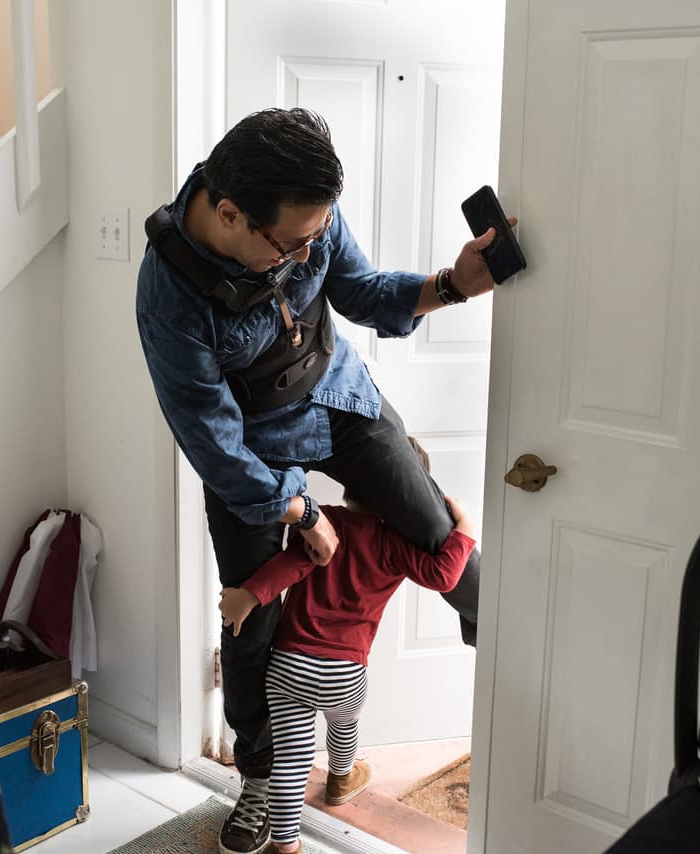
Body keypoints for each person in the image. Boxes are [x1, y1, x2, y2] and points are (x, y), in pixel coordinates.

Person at [135, 106, 512, 854]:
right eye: (297, 243)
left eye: (321, 232)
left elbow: (363, 290)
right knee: (251, 619)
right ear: (230, 213)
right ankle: (259, 778)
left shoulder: (305, 219)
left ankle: (512, 650)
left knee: (437, 530)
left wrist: (454, 284)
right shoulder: (168, 300)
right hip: (252, 451)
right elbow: (211, 441)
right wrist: (299, 512)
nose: (313, 250)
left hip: (341, 399)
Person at [218, 437, 475, 854]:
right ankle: (341, 777)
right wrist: (464, 528)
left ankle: (286, 845)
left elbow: (292, 564)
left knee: (292, 761)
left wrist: (249, 596)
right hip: (345, 673)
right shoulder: (397, 544)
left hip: (288, 668)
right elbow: (444, 576)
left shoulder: (325, 524)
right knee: (344, 725)